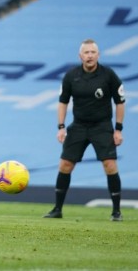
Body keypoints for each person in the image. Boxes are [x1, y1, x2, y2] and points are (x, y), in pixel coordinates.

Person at [43, 39, 125, 221]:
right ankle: (57, 209)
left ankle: (116, 211)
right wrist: (61, 127)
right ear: (80, 56)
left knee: (110, 165)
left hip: (102, 126)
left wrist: (118, 129)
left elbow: (120, 102)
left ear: (98, 55)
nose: (89, 56)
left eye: (93, 52)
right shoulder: (71, 76)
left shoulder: (108, 75)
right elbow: (63, 102)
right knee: (65, 165)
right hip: (79, 126)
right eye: (86, 53)